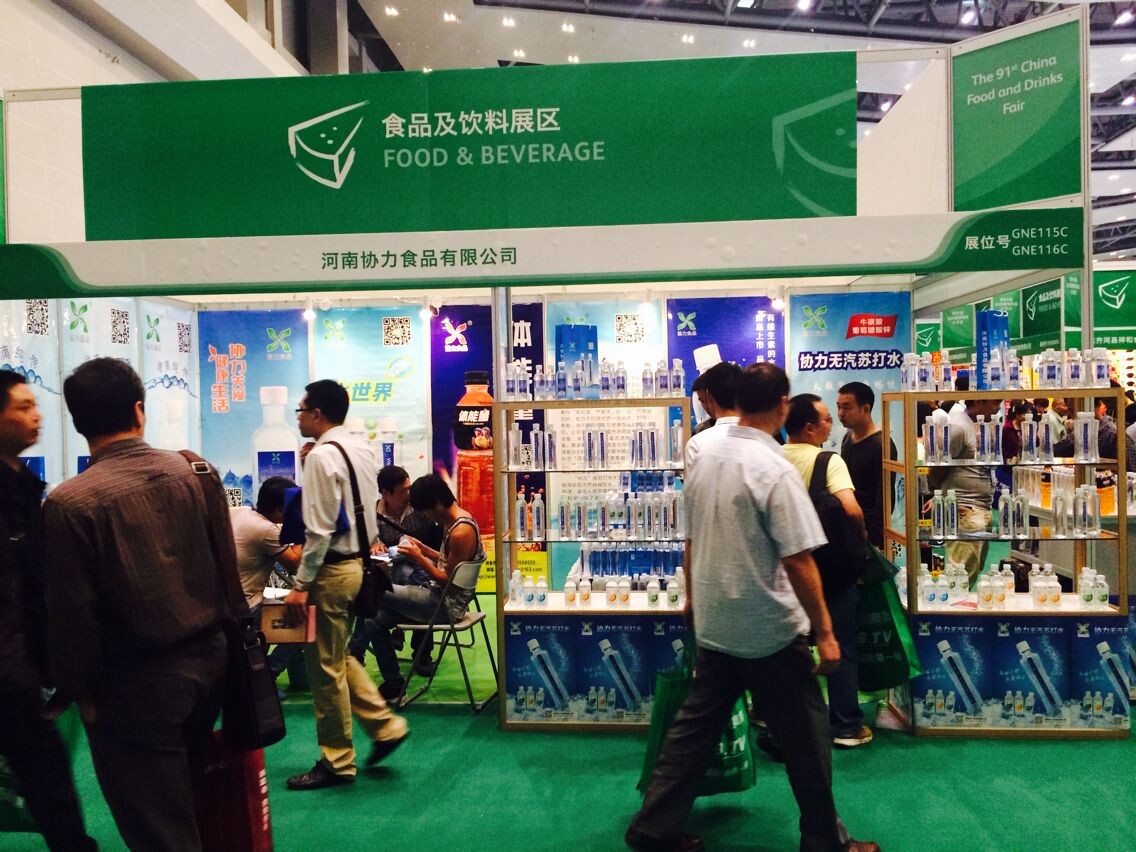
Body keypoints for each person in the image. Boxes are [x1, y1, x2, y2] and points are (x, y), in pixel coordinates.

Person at [626, 363, 877, 852]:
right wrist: (826, 633)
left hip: (717, 621)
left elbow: (691, 538)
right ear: (782, 405)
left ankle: (652, 829)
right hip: (769, 630)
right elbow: (799, 559)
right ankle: (825, 841)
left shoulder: (704, 456)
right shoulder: (772, 468)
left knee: (692, 735)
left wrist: (694, 599)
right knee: (807, 742)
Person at [43, 358, 233, 850]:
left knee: (158, 827)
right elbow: (227, 571)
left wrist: (81, 691)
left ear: (77, 421)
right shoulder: (196, 471)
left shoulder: (70, 504)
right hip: (209, 664)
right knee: (186, 803)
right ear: (138, 410)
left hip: (132, 684)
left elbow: (72, 611)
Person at [283, 379, 408, 790]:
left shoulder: (322, 456)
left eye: (301, 410)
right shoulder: (358, 447)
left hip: (331, 572)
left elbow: (319, 530)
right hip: (359, 566)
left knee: (325, 669)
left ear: (317, 414)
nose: (298, 417)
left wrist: (301, 583)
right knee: (337, 656)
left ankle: (337, 761)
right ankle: (385, 726)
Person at [0, 370, 97, 851]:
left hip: (22, 666)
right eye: (22, 407)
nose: (36, 416)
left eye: (35, 404)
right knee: (46, 773)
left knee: (46, 773)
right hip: (9, 669)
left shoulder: (22, 485)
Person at [784, 394, 872, 749]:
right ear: (809, 428)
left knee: (787, 649)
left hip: (782, 569)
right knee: (840, 644)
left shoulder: (773, 457)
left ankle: (783, 723)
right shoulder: (828, 460)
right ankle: (846, 726)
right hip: (829, 569)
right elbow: (852, 510)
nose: (831, 424)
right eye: (825, 420)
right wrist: (861, 543)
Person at [354, 474, 485, 700]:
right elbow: (447, 562)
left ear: (436, 503)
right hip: (437, 598)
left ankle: (352, 654)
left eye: (425, 511)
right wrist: (424, 549)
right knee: (372, 620)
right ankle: (394, 683)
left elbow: (447, 579)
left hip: (445, 606)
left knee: (373, 590)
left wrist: (419, 558)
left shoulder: (460, 532)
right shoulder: (458, 520)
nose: (427, 517)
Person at [231, 475, 304, 680]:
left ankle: (259, 673)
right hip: (248, 607)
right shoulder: (265, 530)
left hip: (227, 604)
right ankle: (267, 676)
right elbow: (295, 564)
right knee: (303, 622)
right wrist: (302, 529)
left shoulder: (241, 512)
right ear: (280, 510)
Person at [929, 397, 1001, 589]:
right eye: (994, 402)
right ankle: (951, 608)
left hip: (979, 507)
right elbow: (938, 467)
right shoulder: (958, 427)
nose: (998, 407)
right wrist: (944, 498)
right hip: (965, 508)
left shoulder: (979, 425)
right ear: (978, 401)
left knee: (971, 570)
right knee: (960, 574)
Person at [836, 381, 895, 549]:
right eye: (838, 407)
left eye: (846, 407)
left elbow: (885, 496)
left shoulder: (882, 445)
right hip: (847, 527)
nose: (841, 413)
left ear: (865, 409)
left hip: (868, 533)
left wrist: (875, 539)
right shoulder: (848, 437)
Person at [1054, 391, 1136, 472]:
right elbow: (1057, 450)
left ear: (1098, 405)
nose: (1076, 415)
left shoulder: (1114, 435)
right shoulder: (1079, 432)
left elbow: (1131, 474)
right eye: (1071, 411)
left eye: (1082, 409)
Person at [685, 361, 742, 469]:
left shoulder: (697, 443)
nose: (705, 406)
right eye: (702, 401)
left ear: (710, 397)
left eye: (705, 400)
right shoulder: (761, 440)